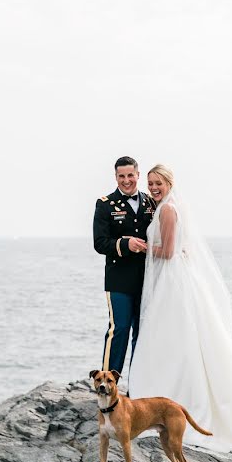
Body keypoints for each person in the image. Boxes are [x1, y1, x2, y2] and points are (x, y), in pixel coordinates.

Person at [128, 164, 232, 462]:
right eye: (151, 183)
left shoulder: (169, 210)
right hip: (175, 281)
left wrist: (142, 247)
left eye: (159, 182)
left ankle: (172, 400)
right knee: (175, 341)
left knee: (170, 339)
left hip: (172, 283)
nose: (154, 187)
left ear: (170, 183)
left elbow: (169, 252)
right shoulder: (170, 206)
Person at [93, 156, 156, 377]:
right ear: (116, 177)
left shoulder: (150, 202)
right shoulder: (105, 204)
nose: (126, 180)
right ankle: (108, 384)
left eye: (131, 175)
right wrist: (125, 244)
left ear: (138, 175)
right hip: (119, 279)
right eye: (122, 176)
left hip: (147, 278)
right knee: (118, 330)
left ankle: (137, 384)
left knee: (142, 332)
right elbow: (100, 243)